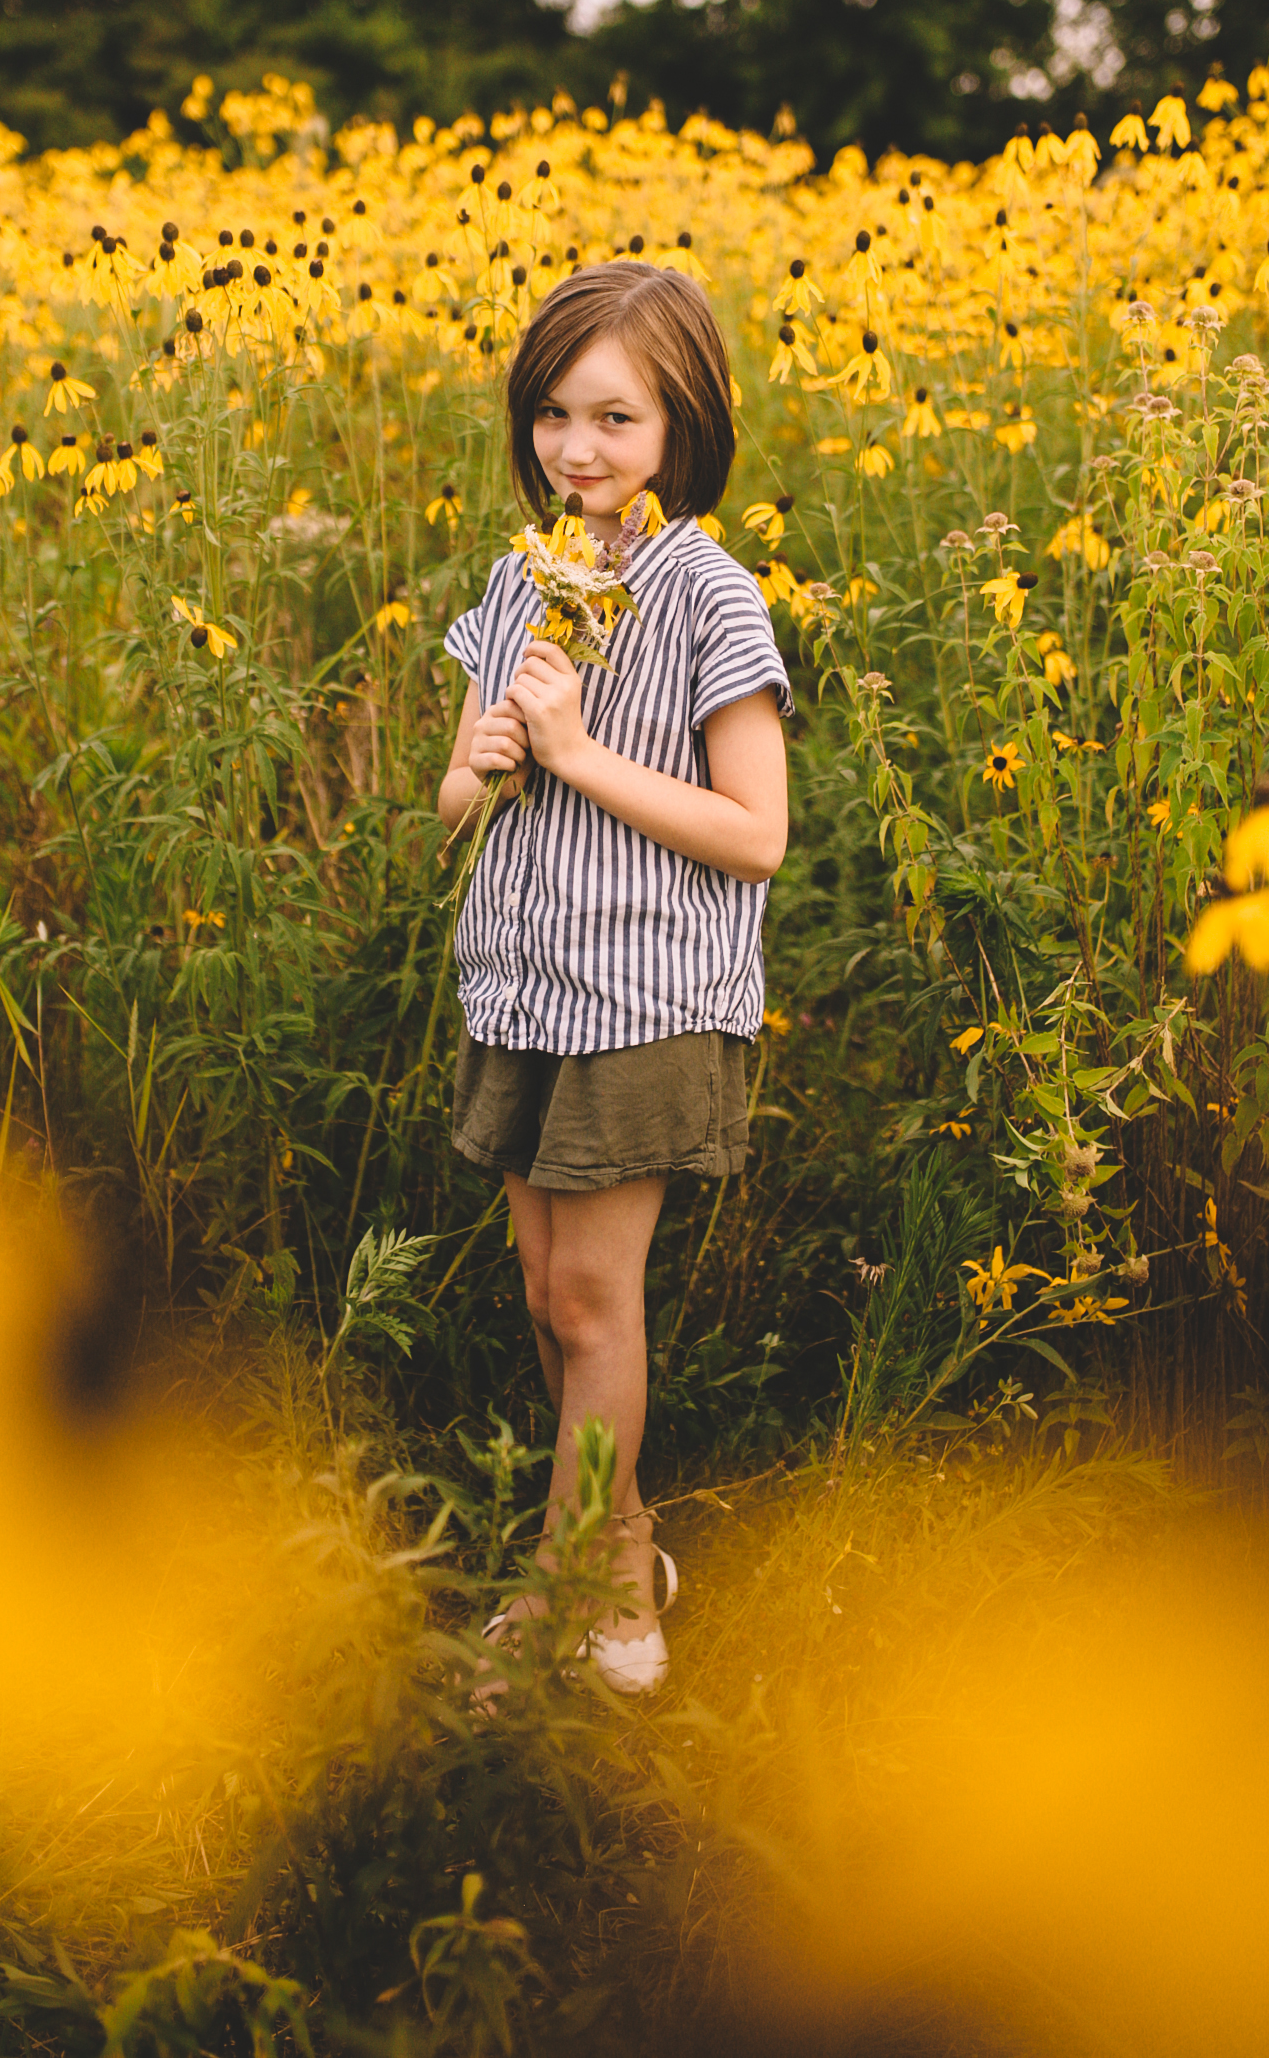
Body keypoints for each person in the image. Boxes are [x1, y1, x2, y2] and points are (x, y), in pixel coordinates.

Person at [437, 260, 791, 1693]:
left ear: (682, 427)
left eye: (616, 420)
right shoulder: (519, 578)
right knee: (544, 1293)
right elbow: (451, 800)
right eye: (552, 419)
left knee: (594, 1298)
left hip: (642, 997)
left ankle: (584, 1594)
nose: (577, 453)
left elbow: (756, 834)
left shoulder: (711, 594)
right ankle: (614, 1549)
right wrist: (490, 762)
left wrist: (581, 754)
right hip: (525, 980)